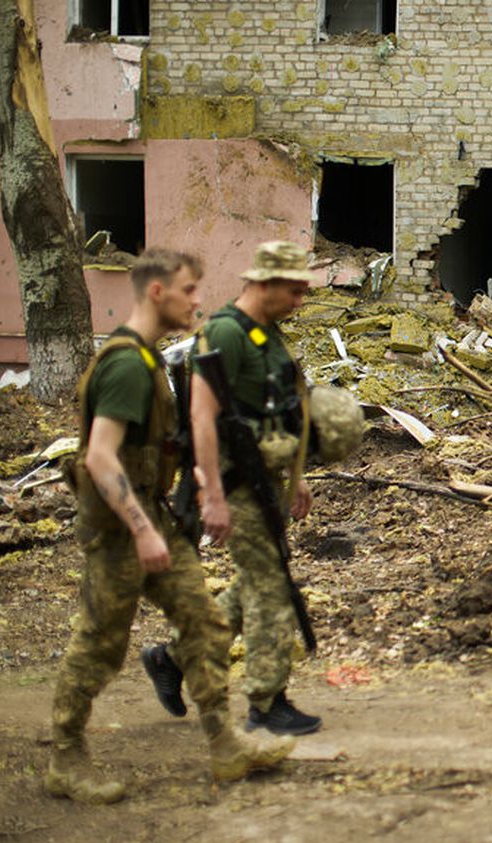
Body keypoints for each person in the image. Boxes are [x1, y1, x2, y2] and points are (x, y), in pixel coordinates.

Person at [49, 249, 293, 805]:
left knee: (203, 622)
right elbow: (100, 458)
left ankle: (225, 743)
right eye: (188, 290)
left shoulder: (149, 358)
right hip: (119, 529)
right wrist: (140, 530)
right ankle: (65, 757)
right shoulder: (127, 367)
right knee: (99, 644)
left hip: (153, 516)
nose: (198, 300)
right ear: (157, 292)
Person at [142, 241, 321, 736]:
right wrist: (212, 496)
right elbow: (202, 416)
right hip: (234, 484)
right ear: (263, 283)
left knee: (254, 584)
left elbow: (283, 410)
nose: (299, 301)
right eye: (293, 290)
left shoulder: (269, 336)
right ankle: (266, 701)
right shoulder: (224, 332)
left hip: (267, 481)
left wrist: (297, 477)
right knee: (269, 587)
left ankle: (173, 658)